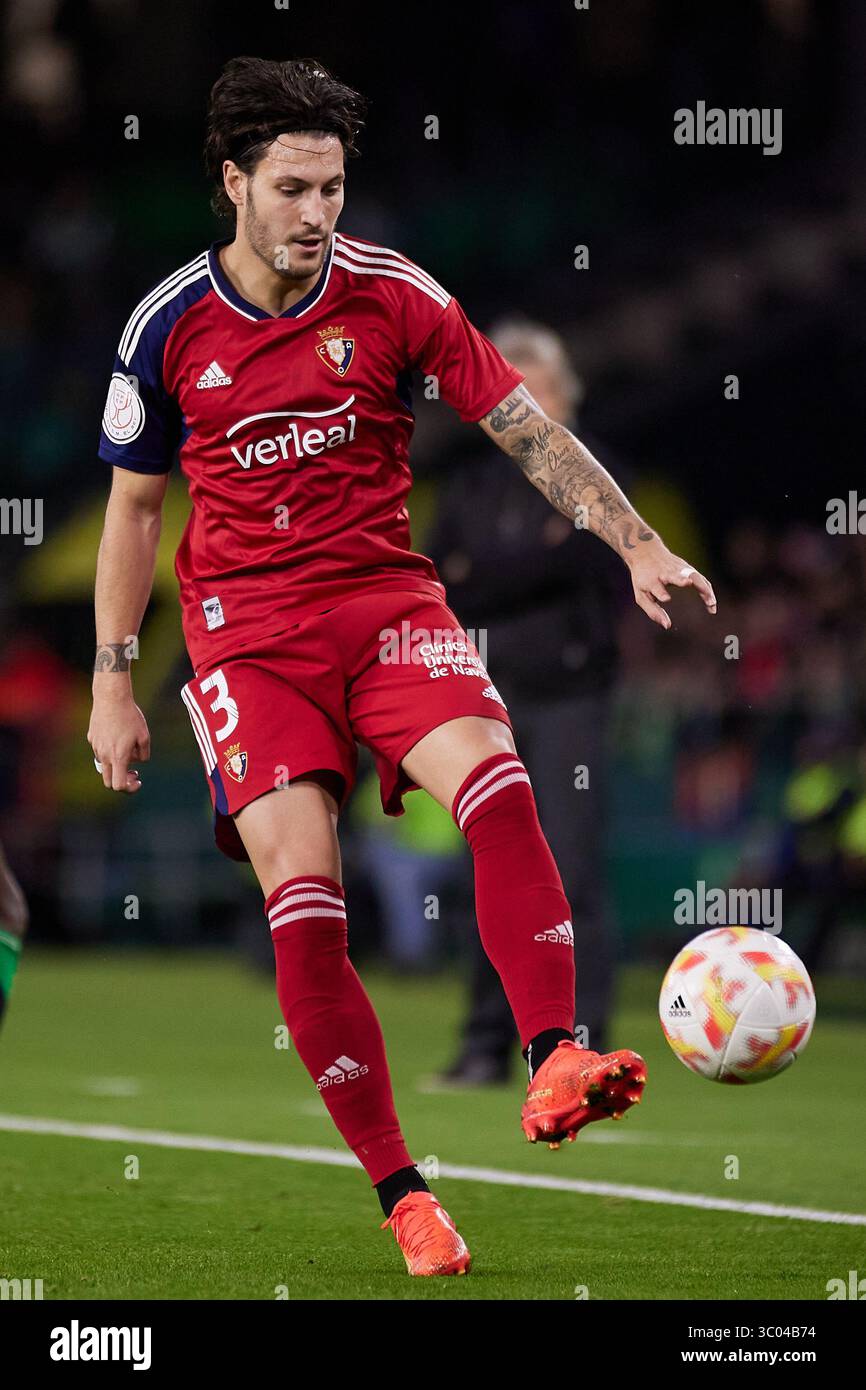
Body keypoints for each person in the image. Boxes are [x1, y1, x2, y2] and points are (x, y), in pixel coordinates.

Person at [87, 56, 716, 1277]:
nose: (317, 213)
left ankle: (553, 1060)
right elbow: (130, 516)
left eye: (331, 186)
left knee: (498, 779)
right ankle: (402, 1191)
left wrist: (634, 540)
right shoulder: (164, 327)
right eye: (291, 188)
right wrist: (114, 682)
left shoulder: (393, 294)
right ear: (234, 184)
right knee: (308, 914)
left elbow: (525, 427)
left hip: (382, 604)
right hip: (248, 640)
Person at [429, 320, 623, 1082]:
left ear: (564, 400)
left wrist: (496, 570)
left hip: (572, 696)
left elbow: (572, 555)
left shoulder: (592, 474)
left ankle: (583, 1047)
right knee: (497, 867)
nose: (521, 404)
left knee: (571, 870)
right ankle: (485, 1045)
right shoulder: (470, 485)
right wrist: (524, 563)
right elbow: (446, 579)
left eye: (536, 390)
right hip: (490, 698)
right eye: (511, 388)